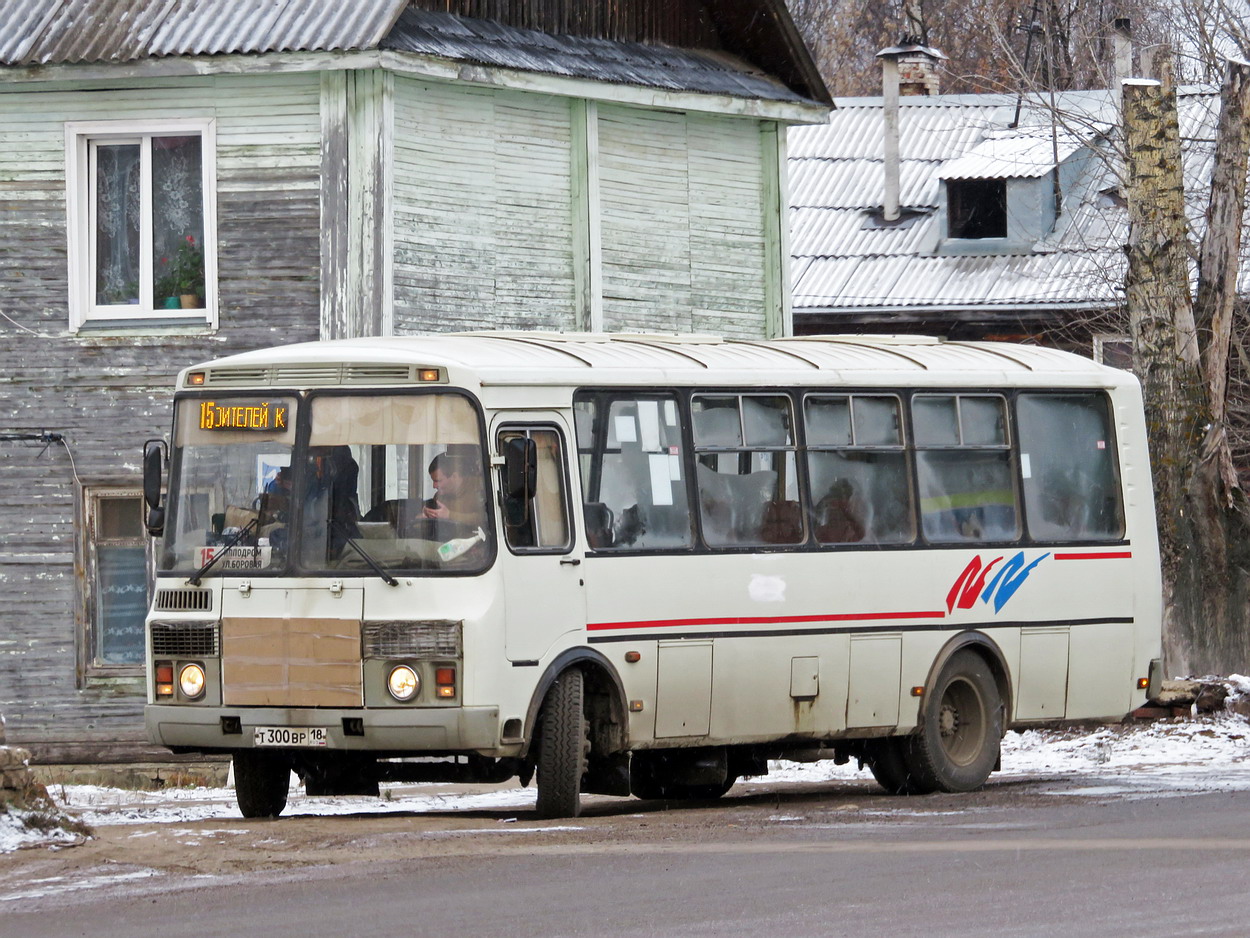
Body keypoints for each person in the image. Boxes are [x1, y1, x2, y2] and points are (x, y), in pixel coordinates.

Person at [423, 452, 484, 526]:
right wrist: (427, 515)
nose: (434, 486)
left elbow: (485, 520)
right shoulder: (439, 497)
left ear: (454, 477)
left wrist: (449, 515)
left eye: (438, 481)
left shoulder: (480, 489)